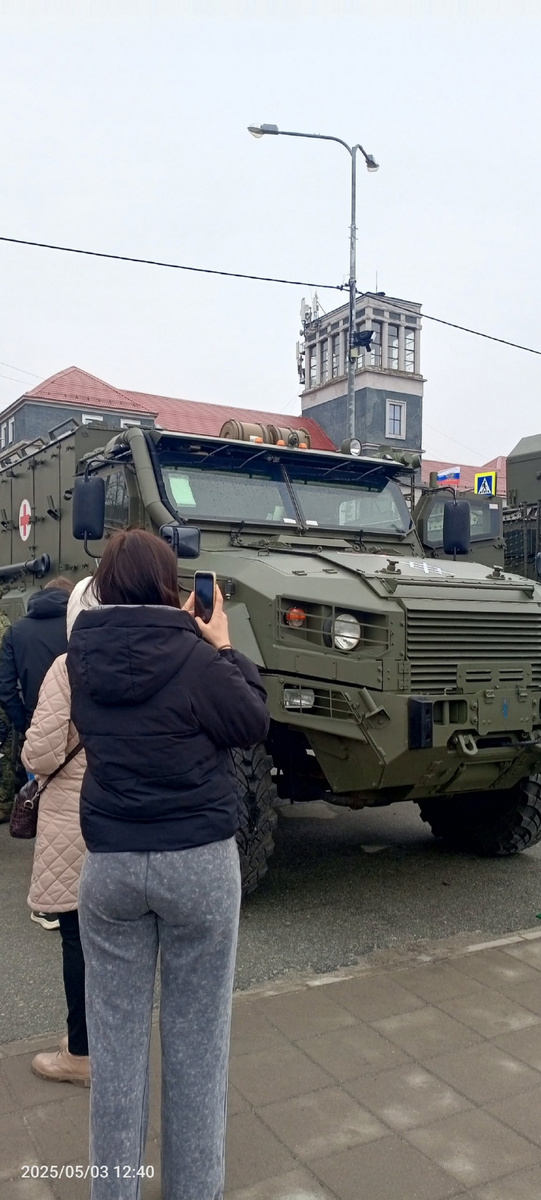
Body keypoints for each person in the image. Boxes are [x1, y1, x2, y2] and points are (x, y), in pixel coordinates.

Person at [66, 529, 270, 1200]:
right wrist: (223, 643)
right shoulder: (196, 657)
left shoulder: (81, 658)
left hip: (111, 867)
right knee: (197, 1046)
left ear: (102, 583)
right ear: (170, 584)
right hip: (197, 865)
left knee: (116, 1050)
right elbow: (249, 722)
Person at [22, 578, 99, 1087]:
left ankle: (81, 1051)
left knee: (76, 937)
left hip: (73, 816)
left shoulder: (69, 667)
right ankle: (115, 1040)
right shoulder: (152, 656)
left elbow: (42, 753)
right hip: (126, 816)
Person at [0, 575, 74, 929]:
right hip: (79, 735)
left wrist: (24, 723)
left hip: (35, 729)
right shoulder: (77, 626)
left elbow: (4, 687)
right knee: (72, 814)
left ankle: (46, 902)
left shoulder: (15, 632)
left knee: (43, 809)